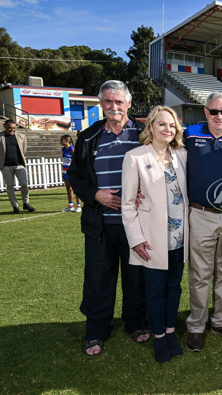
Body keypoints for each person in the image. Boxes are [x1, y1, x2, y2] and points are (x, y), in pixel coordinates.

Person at [68, 80, 150, 356]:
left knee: (135, 277)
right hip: (99, 224)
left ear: (128, 103)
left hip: (136, 224)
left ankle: (136, 322)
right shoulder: (89, 136)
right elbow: (75, 176)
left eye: (119, 102)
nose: (113, 107)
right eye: (108, 102)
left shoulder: (144, 133)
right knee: (98, 279)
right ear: (101, 104)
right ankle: (96, 331)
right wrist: (94, 195)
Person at [121, 106, 189, 363]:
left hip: (179, 238)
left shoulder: (181, 155)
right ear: (150, 127)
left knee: (174, 287)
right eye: (162, 124)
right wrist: (136, 238)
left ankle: (171, 331)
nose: (168, 129)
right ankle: (159, 336)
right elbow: (128, 204)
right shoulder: (135, 157)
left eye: (172, 126)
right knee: (155, 289)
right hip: (151, 238)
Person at [184, 92, 222, 352]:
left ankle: (221, 320)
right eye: (214, 111)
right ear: (205, 111)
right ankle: (196, 326)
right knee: (200, 275)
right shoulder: (189, 133)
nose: (219, 117)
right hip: (200, 214)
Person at [1, 120, 35, 214]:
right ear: (4, 126)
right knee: (10, 187)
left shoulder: (22, 136)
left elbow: (24, 149)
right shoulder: (0, 136)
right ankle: (15, 207)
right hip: (5, 166)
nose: (12, 129)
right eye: (10, 128)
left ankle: (26, 203)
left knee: (24, 184)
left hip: (19, 165)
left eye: (14, 128)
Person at [60, 135, 82, 212]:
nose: (60, 141)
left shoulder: (72, 149)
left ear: (67, 141)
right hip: (65, 171)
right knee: (69, 189)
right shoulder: (63, 149)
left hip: (72, 172)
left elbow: (77, 160)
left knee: (76, 189)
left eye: (61, 140)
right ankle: (70, 206)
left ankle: (79, 206)